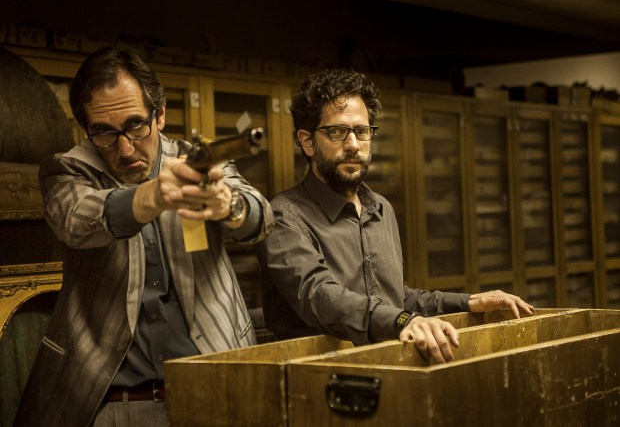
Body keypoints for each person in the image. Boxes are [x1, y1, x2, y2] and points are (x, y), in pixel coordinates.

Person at [15, 47, 273, 427]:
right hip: (115, 402)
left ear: (160, 114)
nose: (125, 148)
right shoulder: (68, 168)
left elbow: (261, 218)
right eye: (105, 131)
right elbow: (74, 219)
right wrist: (153, 195)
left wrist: (227, 205)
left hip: (215, 385)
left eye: (136, 125)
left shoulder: (193, 157)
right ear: (86, 129)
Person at [255, 68, 534, 365]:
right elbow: (320, 297)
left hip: (390, 367)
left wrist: (470, 302)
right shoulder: (283, 217)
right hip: (319, 375)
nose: (353, 144)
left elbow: (394, 299)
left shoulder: (380, 209)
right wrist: (402, 321)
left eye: (362, 131)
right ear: (308, 141)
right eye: (337, 132)